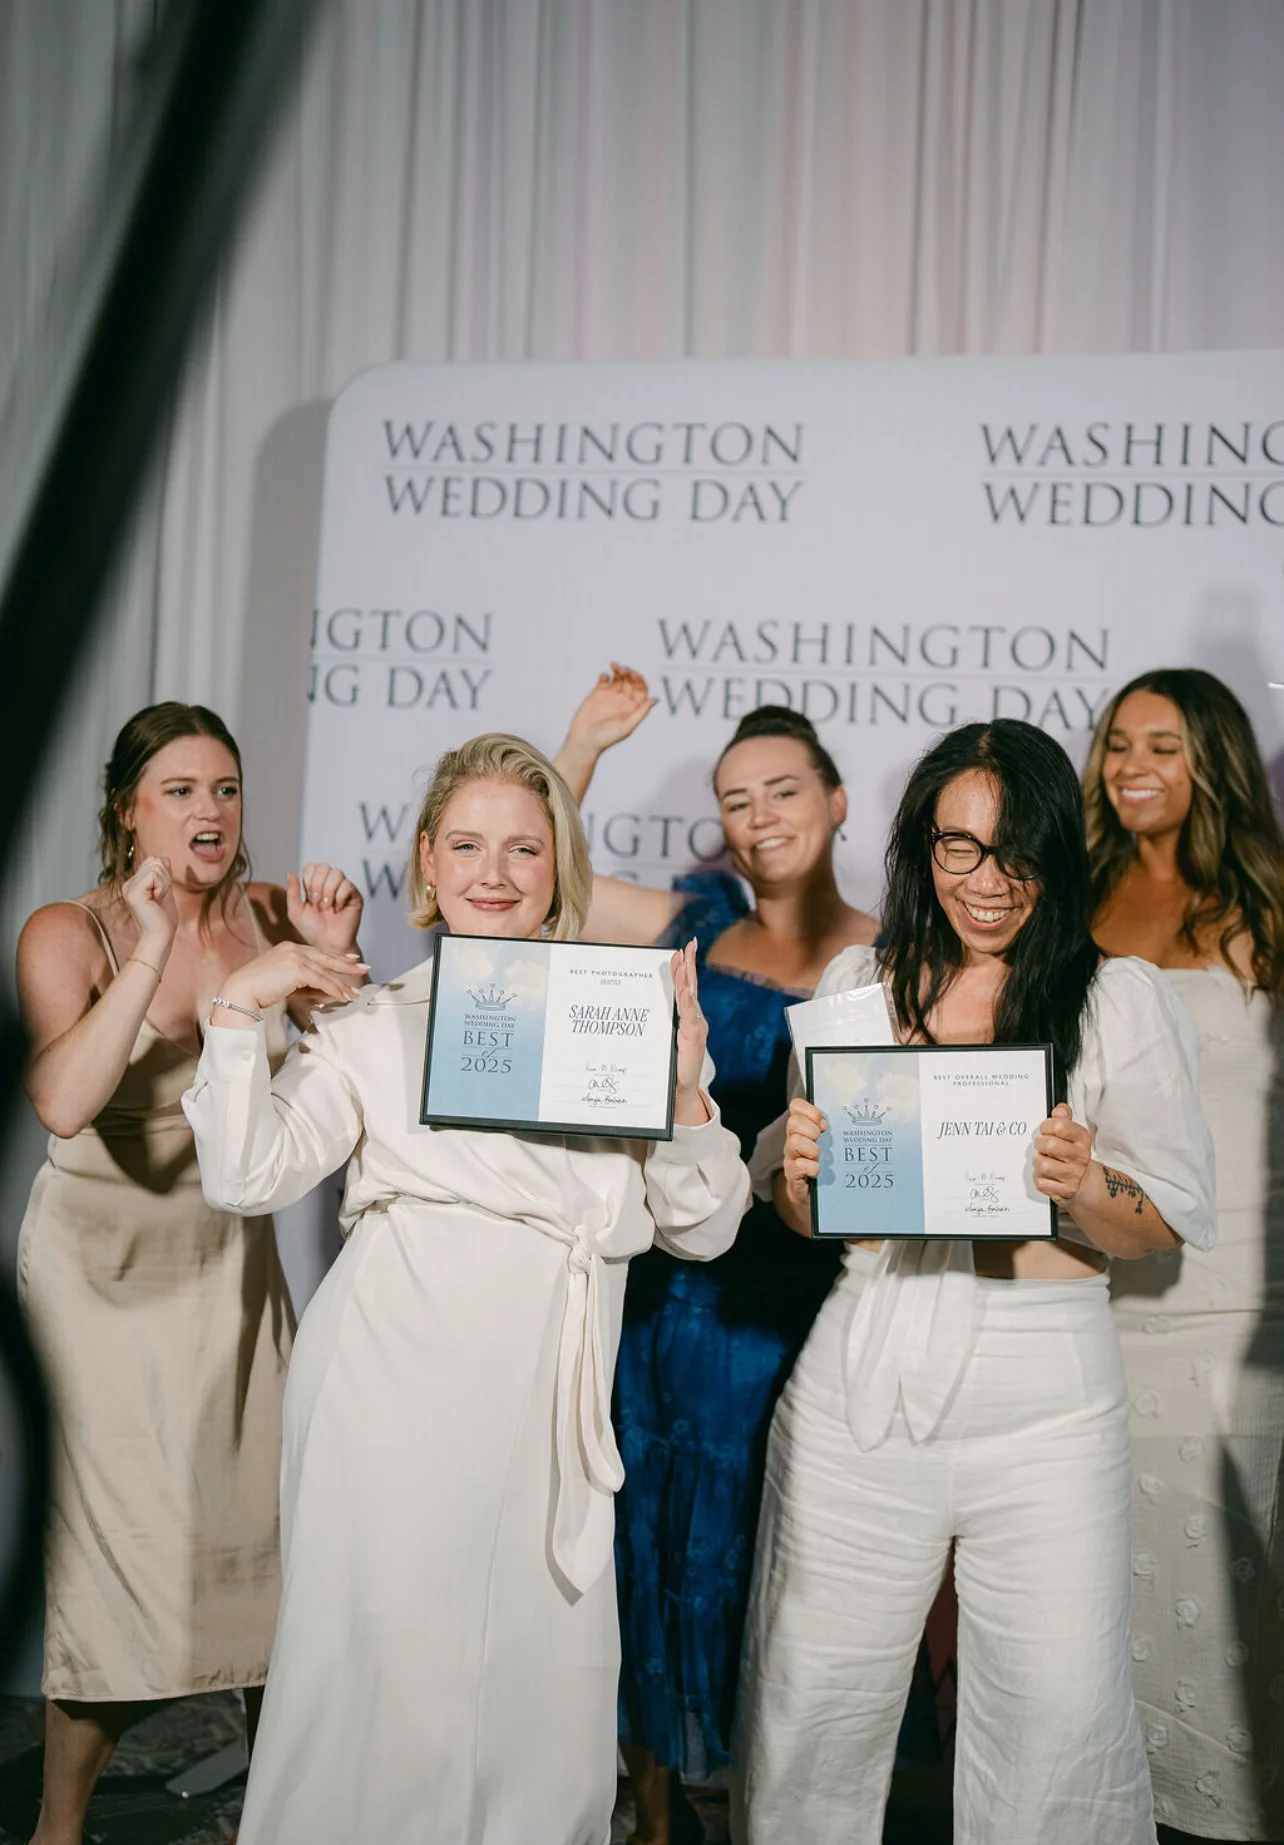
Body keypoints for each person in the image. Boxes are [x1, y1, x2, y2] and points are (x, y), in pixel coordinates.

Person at [180, 731, 750, 1845]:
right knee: (382, 1677)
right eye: (470, 846)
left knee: (540, 1688)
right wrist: (245, 1004)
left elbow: (707, 1227)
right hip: (388, 1397)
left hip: (548, 1403)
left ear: (558, 871)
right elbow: (248, 1175)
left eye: (525, 850)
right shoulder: (373, 1023)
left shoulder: (621, 1030)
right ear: (428, 868)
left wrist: (684, 1090)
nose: (496, 873)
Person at [733, 718, 1217, 1845]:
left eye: (1017, 853)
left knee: (1060, 1717)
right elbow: (809, 1214)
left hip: (1047, 1393)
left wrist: (1084, 1184)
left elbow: (1162, 1231)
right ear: (919, 847)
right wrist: (799, 1175)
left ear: (1059, 852)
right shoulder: (861, 984)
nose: (987, 883)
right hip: (865, 1374)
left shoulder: (1117, 999)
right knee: (816, 1706)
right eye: (959, 848)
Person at [15, 701, 363, 1845]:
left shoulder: (266, 914)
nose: (208, 811)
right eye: (179, 790)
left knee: (269, 1539)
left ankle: (282, 1814)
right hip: (101, 1281)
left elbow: (342, 1062)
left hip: (230, 1271)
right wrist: (156, 947)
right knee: (123, 1555)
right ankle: (59, 1826)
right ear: (127, 808)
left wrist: (334, 955)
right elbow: (65, 1104)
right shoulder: (67, 933)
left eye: (224, 789)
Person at [554, 669, 877, 1843]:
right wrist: (583, 742)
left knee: (764, 1556)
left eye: (782, 791)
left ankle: (761, 1804)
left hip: (793, 1309)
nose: (760, 817)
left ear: (838, 802)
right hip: (665, 1297)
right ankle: (646, 1805)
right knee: (644, 1540)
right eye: (736, 800)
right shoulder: (691, 925)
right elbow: (550, 883)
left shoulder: (893, 958)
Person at [1086, 668, 1284, 1843]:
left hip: (1237, 1317)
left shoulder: (1266, 901)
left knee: (1232, 1617)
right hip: (1096, 1311)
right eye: (1117, 743)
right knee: (1110, 1626)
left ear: (1213, 757)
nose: (1132, 764)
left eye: (1163, 742)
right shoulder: (1074, 905)